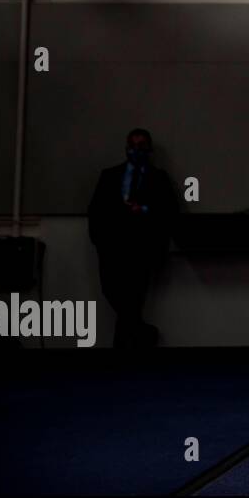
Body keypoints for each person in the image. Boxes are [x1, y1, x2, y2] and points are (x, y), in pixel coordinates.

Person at [86, 128, 178, 348]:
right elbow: (96, 211)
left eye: (141, 145)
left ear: (150, 149)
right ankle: (143, 333)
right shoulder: (109, 176)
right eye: (132, 145)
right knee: (113, 292)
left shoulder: (159, 178)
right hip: (113, 248)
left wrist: (144, 209)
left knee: (133, 299)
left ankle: (126, 346)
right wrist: (101, 242)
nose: (136, 150)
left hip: (142, 249)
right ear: (126, 148)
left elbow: (169, 211)